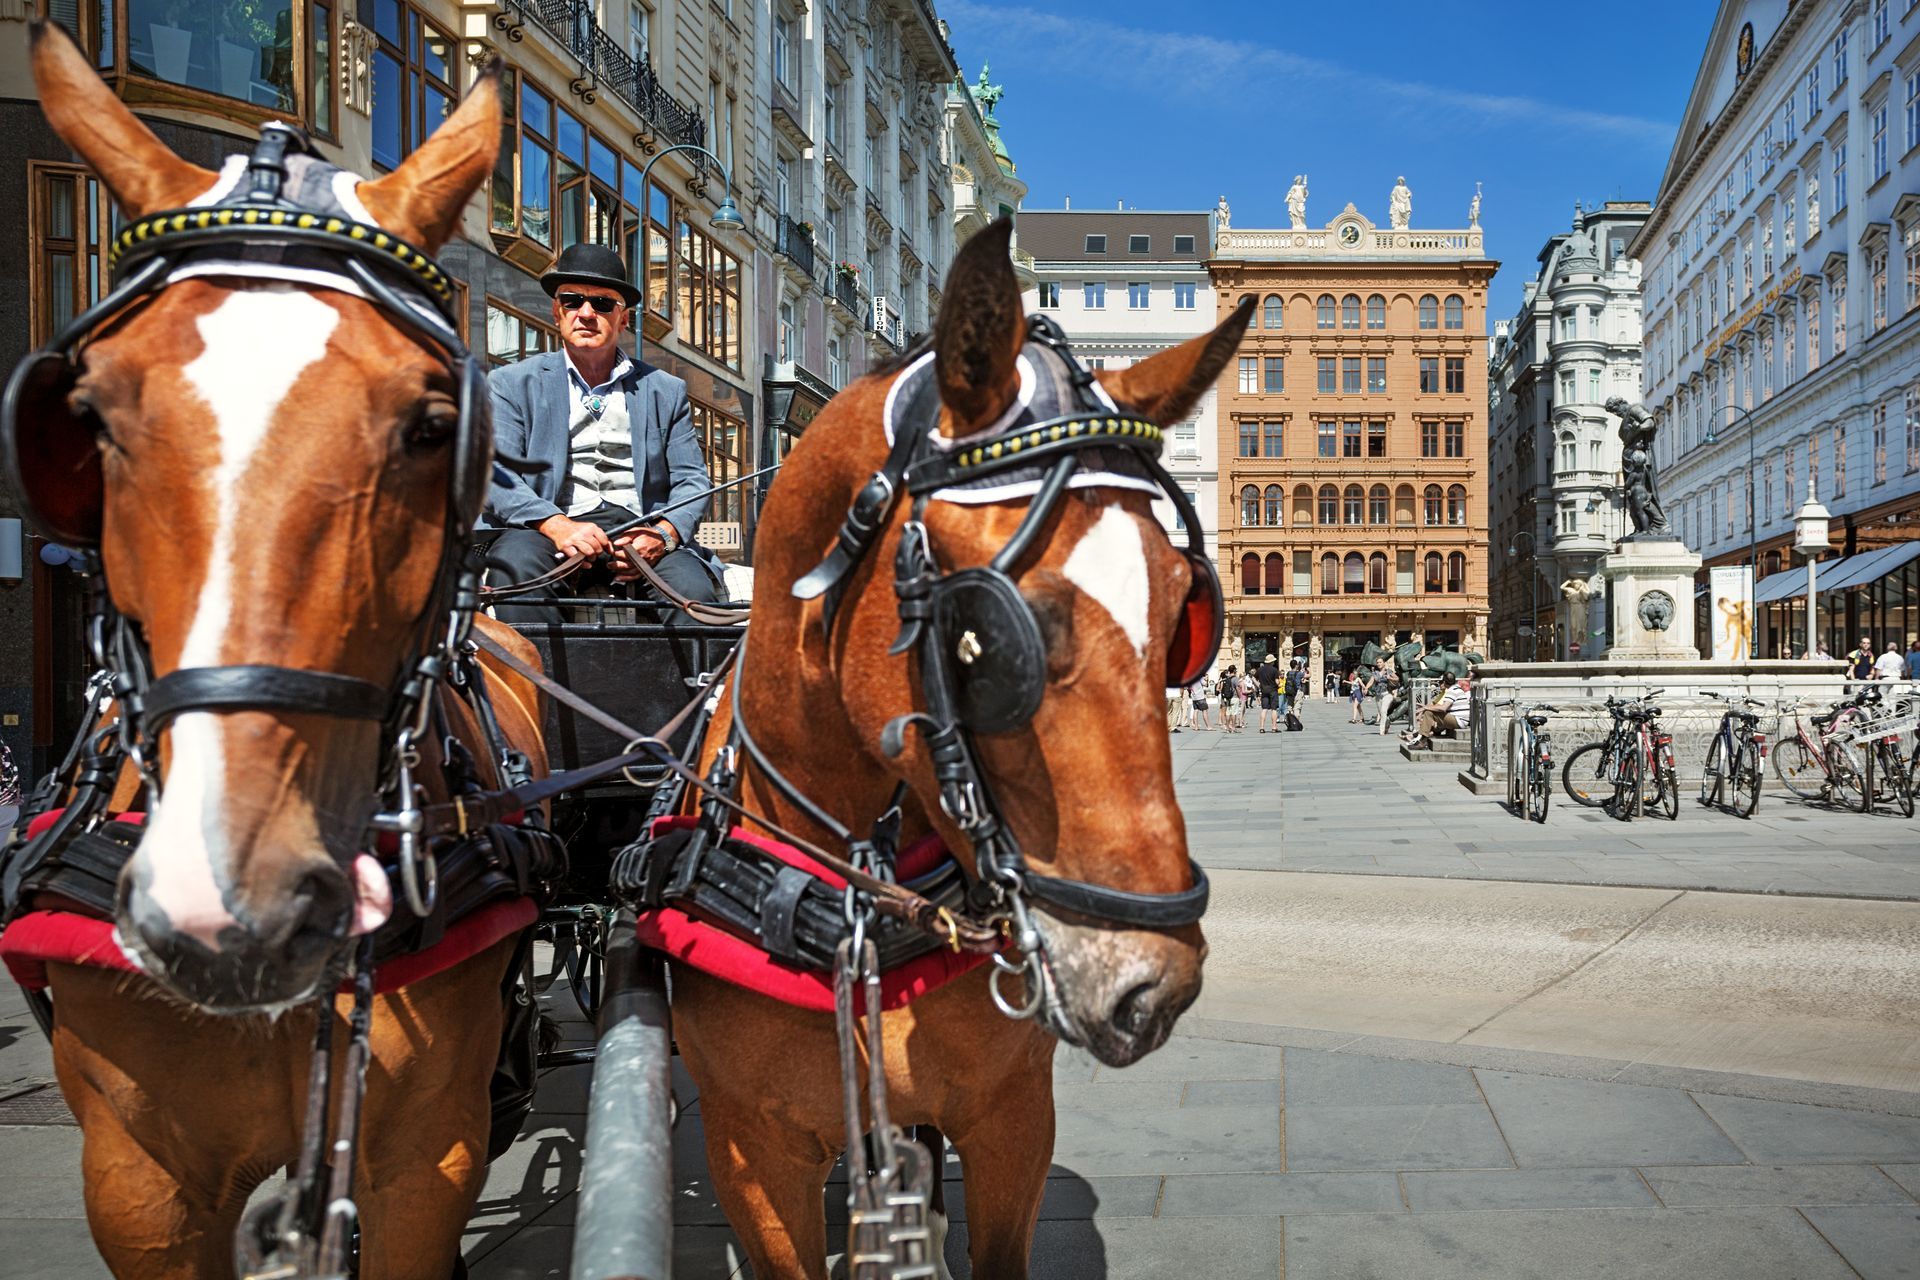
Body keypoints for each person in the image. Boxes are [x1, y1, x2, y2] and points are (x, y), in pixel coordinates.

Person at [481, 243, 725, 624]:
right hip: (547, 529)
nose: (586, 314)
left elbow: (692, 480)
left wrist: (663, 534)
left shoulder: (665, 389)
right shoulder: (511, 383)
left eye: (603, 304)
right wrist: (557, 526)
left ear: (623, 319)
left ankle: (684, 685)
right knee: (515, 568)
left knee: (693, 596)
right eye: (573, 301)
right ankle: (535, 685)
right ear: (556, 311)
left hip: (638, 527)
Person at [1404, 674, 1469, 750]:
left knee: (1429, 713)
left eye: (1441, 682)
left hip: (1459, 721)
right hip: (1459, 719)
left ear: (1444, 682)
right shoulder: (1456, 689)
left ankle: (1423, 741)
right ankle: (1422, 735)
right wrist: (1426, 707)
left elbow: (1443, 708)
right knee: (1431, 712)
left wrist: (1425, 707)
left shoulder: (1452, 691)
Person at [1255, 654, 1281, 732]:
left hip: (1264, 691)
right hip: (1273, 691)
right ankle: (1274, 727)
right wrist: (1279, 684)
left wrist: (1259, 685)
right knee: (1274, 709)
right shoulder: (1274, 670)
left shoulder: (1260, 669)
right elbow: (1277, 681)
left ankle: (1262, 727)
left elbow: (1253, 677)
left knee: (1264, 709)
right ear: (1272, 662)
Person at [1374, 660, 1400, 735]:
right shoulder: (1375, 673)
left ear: (1384, 663)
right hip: (1378, 694)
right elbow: (1371, 681)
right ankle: (1386, 725)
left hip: (1387, 693)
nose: (1378, 664)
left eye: (1380, 662)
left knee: (1383, 711)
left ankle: (1381, 730)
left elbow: (1397, 679)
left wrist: (1390, 678)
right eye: (1377, 662)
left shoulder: (1389, 671)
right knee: (1381, 713)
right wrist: (1365, 688)